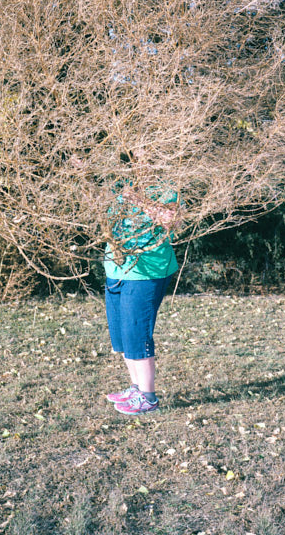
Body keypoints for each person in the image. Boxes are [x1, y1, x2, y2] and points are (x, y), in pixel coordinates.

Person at [104, 152, 182, 415]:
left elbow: (171, 221)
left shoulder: (165, 188)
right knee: (123, 336)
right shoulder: (117, 183)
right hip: (116, 268)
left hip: (147, 271)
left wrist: (137, 199)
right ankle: (136, 388)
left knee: (137, 333)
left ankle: (148, 398)